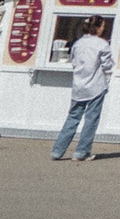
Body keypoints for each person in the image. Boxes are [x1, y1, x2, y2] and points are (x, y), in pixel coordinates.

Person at [48, 14, 112, 163]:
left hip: (79, 85)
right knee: (91, 120)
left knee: (72, 117)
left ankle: (57, 150)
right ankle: (82, 151)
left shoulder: (77, 43)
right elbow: (107, 65)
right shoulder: (102, 44)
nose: (103, 29)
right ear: (97, 27)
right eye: (102, 26)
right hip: (96, 85)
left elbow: (74, 62)